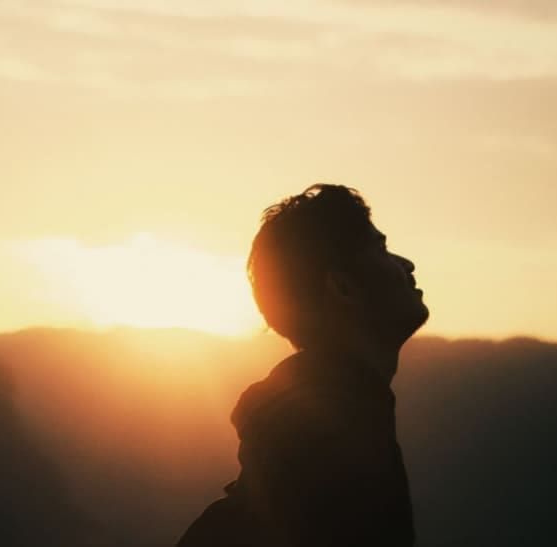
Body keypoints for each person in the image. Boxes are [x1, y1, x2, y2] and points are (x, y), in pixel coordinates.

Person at [177, 184, 429, 547]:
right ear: (343, 288)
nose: (407, 265)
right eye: (382, 249)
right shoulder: (333, 440)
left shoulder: (300, 429)